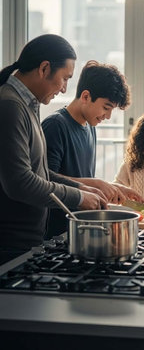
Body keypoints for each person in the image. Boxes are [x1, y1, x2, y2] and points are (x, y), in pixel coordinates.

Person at [0, 34, 108, 265]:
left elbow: (38, 172)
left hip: (23, 244)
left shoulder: (27, 104)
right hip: (9, 247)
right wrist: (78, 197)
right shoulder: (10, 106)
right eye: (64, 78)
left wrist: (82, 187)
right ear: (44, 68)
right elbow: (20, 182)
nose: (64, 89)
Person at [42, 60, 143, 238]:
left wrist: (110, 187)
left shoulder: (90, 127)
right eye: (106, 108)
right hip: (57, 232)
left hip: (81, 228)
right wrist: (97, 184)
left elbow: (80, 180)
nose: (108, 116)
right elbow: (46, 179)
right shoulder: (55, 126)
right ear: (86, 96)